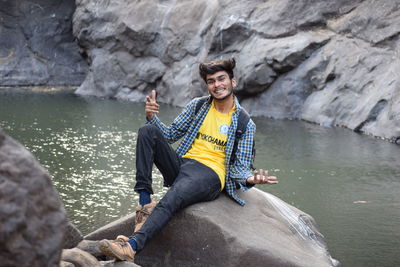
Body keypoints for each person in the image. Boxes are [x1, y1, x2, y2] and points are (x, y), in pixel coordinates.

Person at [99, 58, 278, 262]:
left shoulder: (245, 123)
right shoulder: (198, 105)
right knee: (147, 131)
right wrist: (151, 117)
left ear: (233, 82)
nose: (217, 85)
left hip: (210, 174)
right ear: (207, 85)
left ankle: (131, 246)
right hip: (184, 164)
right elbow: (170, 134)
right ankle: (144, 205)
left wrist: (249, 179)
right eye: (211, 81)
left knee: (172, 198)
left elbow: (240, 166)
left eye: (221, 79)